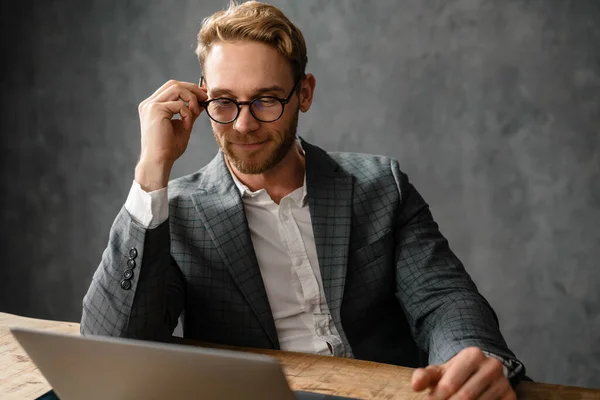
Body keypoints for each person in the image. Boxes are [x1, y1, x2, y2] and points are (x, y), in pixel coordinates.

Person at [81, 1, 526, 398]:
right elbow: (109, 351)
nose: (242, 125)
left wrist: (467, 363)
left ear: (305, 93)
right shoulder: (172, 214)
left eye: (266, 100)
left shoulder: (380, 186)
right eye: (224, 102)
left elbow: (444, 300)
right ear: (202, 98)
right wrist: (151, 170)